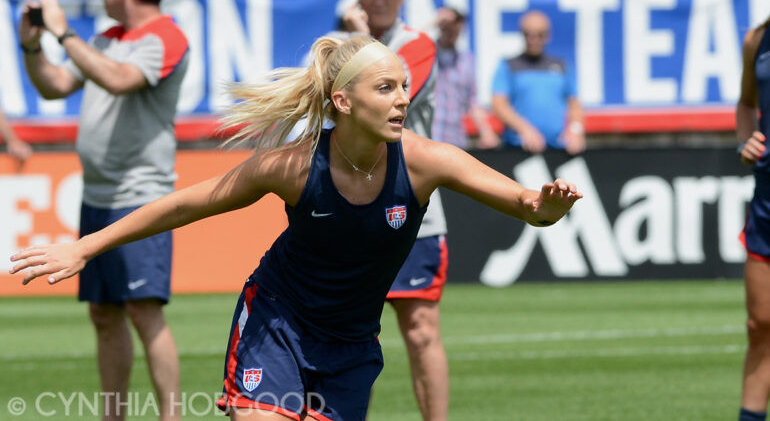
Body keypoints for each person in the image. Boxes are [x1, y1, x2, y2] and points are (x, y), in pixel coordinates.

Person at [10, 34, 582, 421]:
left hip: (352, 345)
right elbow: (189, 203)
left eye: (405, 86)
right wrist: (86, 246)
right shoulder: (291, 167)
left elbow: (527, 203)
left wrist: (547, 209)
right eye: (386, 88)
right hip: (276, 325)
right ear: (343, 100)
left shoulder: (428, 159)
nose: (403, 99)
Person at [17, 0, 189, 421]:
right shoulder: (109, 36)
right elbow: (54, 84)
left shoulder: (165, 38)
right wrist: (32, 45)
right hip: (97, 197)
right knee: (104, 313)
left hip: (140, 198)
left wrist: (64, 31)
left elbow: (118, 79)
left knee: (143, 310)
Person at [343, 0, 450, 420]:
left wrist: (357, 37)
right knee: (348, 330)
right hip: (352, 204)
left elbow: (386, 81)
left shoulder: (418, 44)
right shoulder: (340, 46)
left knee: (421, 328)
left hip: (412, 205)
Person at [736, 0, 770, 421]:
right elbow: (746, 103)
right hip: (767, 197)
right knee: (760, 323)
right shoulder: (757, 40)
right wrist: (746, 140)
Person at [491, 9, 585, 155]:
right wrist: (525, 130)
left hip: (558, 149)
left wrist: (575, 130)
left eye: (539, 34)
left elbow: (574, 103)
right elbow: (499, 104)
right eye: (528, 34)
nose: (533, 39)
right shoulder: (508, 65)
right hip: (518, 149)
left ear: (548, 36)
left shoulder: (561, 66)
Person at [432, 6, 500, 150]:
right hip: (427, 138)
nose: (451, 33)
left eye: (456, 29)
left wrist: (486, 132)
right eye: (447, 28)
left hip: (455, 141)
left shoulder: (466, 60)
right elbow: (402, 48)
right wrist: (434, 22)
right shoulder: (425, 55)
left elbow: (472, 102)